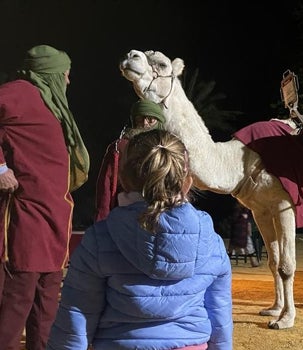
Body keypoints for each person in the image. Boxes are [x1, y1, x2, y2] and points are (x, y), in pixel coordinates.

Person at [47, 129, 233, 349]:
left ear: (124, 179)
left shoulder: (100, 239)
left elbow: (76, 315)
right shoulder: (211, 241)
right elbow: (219, 315)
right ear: (187, 182)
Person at [0, 44, 90, 350]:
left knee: (47, 308)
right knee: (16, 301)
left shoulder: (50, 103)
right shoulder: (19, 92)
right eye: (65, 74)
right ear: (49, 73)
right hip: (27, 217)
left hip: (56, 216)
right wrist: (0, 168)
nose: (68, 82)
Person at [94, 99, 166, 222]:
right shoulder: (121, 147)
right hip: (124, 213)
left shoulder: (168, 149)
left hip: (160, 215)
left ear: (158, 121)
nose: (144, 123)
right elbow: (105, 185)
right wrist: (102, 220)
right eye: (140, 118)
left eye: (150, 119)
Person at [228, 202, 260, 267]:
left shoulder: (246, 210)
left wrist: (249, 229)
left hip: (244, 232)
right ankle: (226, 263)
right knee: (231, 248)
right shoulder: (236, 211)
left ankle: (254, 262)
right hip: (237, 231)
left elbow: (248, 221)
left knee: (249, 246)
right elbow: (234, 220)